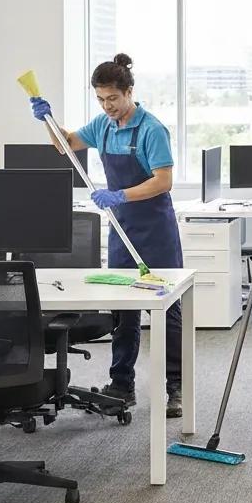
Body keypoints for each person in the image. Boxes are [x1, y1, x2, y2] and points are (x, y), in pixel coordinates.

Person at [29, 53, 185, 418]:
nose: (107, 105)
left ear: (129, 92)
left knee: (168, 310)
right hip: (121, 228)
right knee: (123, 309)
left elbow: (163, 181)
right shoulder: (103, 125)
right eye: (100, 99)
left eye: (112, 98)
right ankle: (121, 384)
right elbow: (65, 144)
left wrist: (120, 195)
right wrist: (48, 122)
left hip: (155, 229)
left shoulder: (152, 129)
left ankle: (175, 387)